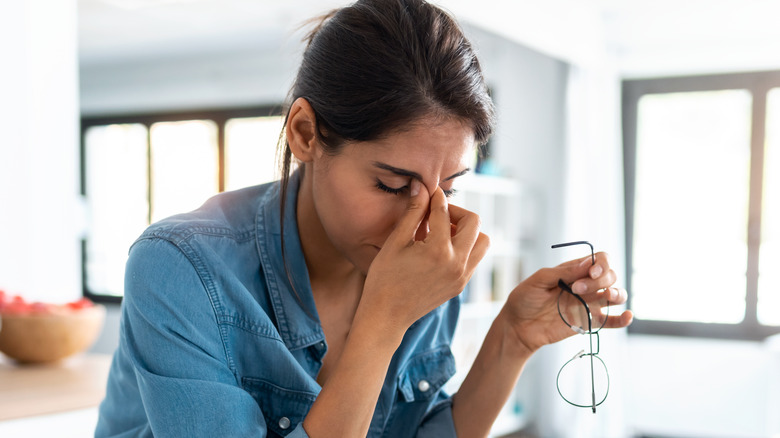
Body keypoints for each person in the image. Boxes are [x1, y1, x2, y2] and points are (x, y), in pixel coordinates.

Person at [95, 0, 633, 437]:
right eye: (392, 185)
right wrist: (382, 322)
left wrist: (512, 337)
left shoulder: (427, 260)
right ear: (305, 133)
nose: (422, 223)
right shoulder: (181, 267)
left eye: (448, 187)